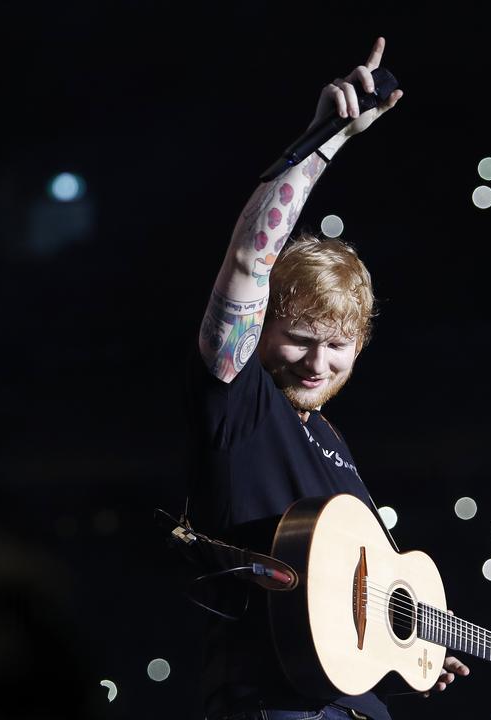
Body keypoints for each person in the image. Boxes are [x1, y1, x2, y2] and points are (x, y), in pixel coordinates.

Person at [184, 37, 469, 720]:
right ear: (262, 330)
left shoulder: (335, 445)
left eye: (338, 346)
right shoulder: (239, 400)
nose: (318, 363)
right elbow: (252, 259)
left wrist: (409, 658)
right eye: (300, 338)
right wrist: (323, 140)